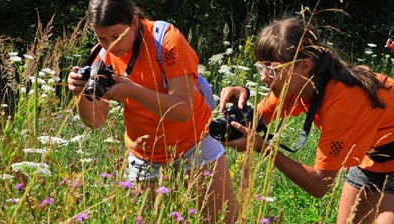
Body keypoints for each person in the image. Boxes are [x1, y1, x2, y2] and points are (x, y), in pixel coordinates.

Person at [67, 0, 237, 222]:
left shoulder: (166, 41)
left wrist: (133, 91)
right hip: (145, 153)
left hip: (194, 142)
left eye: (117, 36)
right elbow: (95, 121)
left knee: (224, 220)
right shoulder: (100, 56)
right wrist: (80, 95)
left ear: (135, 23)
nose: (110, 45)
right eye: (101, 38)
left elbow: (183, 110)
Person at [219, 17, 394, 223]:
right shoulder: (295, 86)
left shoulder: (341, 101)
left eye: (272, 69)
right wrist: (241, 98)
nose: (264, 77)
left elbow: (320, 185)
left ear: (305, 65)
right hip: (372, 158)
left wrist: (262, 148)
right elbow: (257, 120)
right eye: (261, 67)